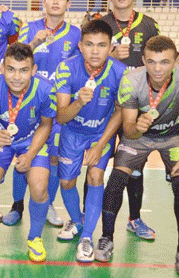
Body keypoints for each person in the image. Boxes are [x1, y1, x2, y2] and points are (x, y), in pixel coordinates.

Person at [96, 35, 179, 277]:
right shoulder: (131, 81)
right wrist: (138, 126)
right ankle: (106, 238)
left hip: (173, 137)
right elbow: (128, 130)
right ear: (143, 60)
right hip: (138, 138)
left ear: (176, 61)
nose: (157, 69)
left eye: (164, 62)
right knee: (116, 181)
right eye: (151, 62)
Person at [2, 0, 81, 228]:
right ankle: (17, 205)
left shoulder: (76, 34)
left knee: (54, 159)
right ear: (43, 2)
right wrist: (33, 43)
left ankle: (46, 204)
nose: (55, 2)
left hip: (58, 107)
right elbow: (13, 58)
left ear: (68, 4)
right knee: (23, 155)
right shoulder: (30, 29)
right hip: (29, 104)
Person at [0, 43, 56, 262]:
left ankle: (35, 238)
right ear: (2, 68)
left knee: (39, 187)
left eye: (23, 70)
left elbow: (46, 125)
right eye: (11, 69)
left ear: (34, 69)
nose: (17, 77)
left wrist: (30, 154)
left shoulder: (46, 89)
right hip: (2, 139)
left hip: (31, 140)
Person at [54, 19, 126, 262]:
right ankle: (76, 220)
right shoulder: (66, 68)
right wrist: (79, 102)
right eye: (89, 44)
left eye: (102, 45)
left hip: (100, 134)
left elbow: (120, 111)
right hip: (72, 133)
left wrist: (100, 144)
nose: (95, 51)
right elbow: (61, 116)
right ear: (80, 46)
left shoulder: (120, 72)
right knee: (66, 182)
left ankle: (86, 237)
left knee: (95, 176)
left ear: (110, 47)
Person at [101, 0, 160, 239]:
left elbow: (158, 63)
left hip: (135, 108)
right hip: (104, 106)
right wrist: (110, 56)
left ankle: (134, 219)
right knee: (97, 164)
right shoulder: (100, 25)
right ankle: (84, 219)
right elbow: (89, 64)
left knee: (135, 167)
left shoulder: (149, 26)